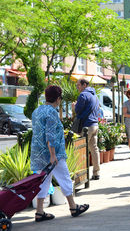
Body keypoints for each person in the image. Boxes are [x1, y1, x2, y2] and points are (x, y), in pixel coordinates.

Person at [31, 85, 89, 222]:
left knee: (43, 182)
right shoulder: (51, 112)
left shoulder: (37, 111)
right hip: (52, 154)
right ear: (58, 99)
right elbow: (49, 135)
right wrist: (52, 155)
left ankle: (39, 212)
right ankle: (73, 207)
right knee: (64, 178)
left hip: (38, 153)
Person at [73, 79, 100, 180]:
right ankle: (96, 173)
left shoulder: (83, 95)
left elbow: (77, 111)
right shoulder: (95, 95)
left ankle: (80, 177)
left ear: (84, 85)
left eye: (78, 85)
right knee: (94, 149)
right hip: (95, 124)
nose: (77, 87)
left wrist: (74, 106)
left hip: (86, 126)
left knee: (80, 150)